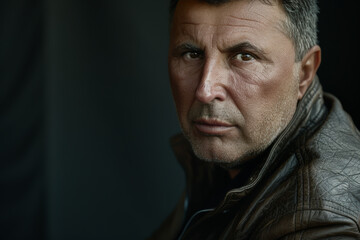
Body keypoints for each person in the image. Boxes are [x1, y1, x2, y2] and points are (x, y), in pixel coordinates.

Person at [149, 0, 360, 239]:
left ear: (304, 73)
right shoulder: (229, 157)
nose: (205, 90)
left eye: (244, 56)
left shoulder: (321, 221)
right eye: (192, 54)